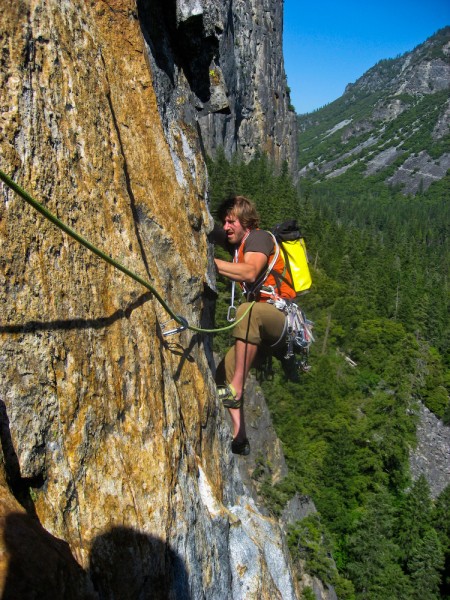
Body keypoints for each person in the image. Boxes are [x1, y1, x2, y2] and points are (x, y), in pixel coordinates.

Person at [213, 196, 296, 455]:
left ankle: (236, 388)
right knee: (222, 371)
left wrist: (210, 264)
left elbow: (250, 272)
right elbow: (212, 231)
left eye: (231, 221)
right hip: (259, 327)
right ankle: (240, 437)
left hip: (279, 320)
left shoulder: (259, 238)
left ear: (246, 223)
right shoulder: (238, 246)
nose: (226, 227)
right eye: (224, 222)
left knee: (250, 311)